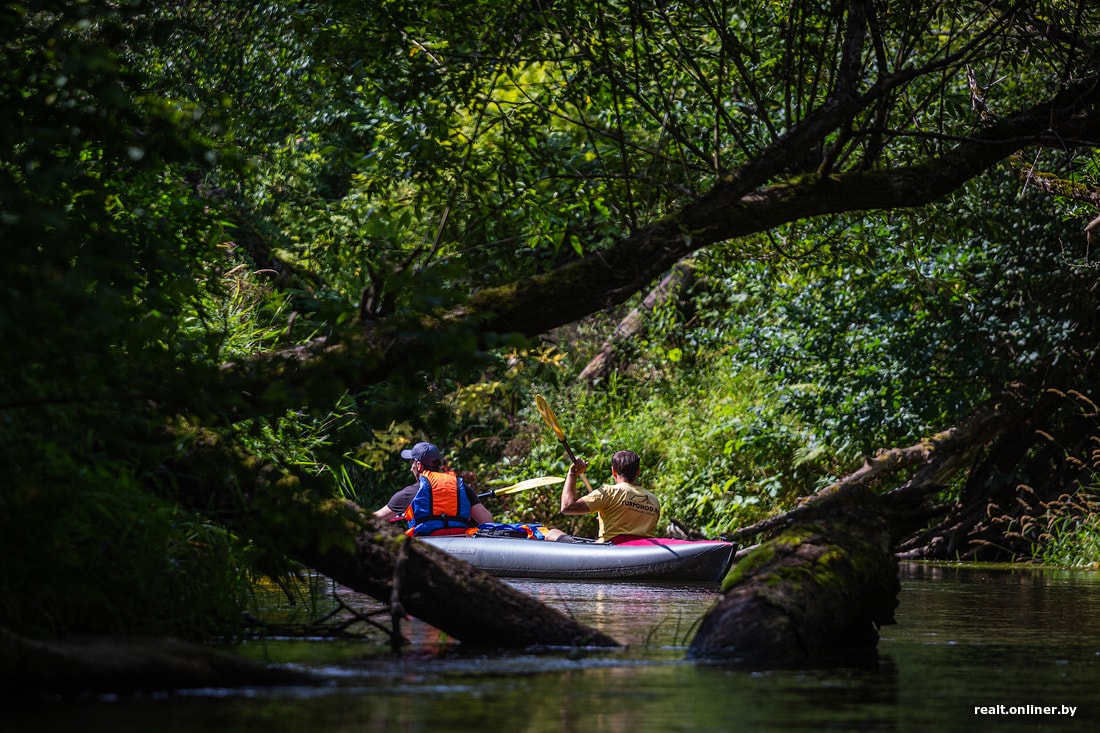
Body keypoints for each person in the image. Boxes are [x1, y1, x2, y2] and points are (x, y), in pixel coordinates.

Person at [372, 442, 493, 534]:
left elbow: (375, 518)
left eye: (411, 464)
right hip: (460, 545)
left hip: (428, 548)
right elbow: (488, 521)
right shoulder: (461, 487)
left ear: (418, 465)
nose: (410, 468)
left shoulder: (410, 493)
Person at [558, 450, 660, 543]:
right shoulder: (654, 500)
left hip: (611, 550)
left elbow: (567, 506)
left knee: (553, 533)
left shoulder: (609, 492)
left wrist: (572, 473)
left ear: (613, 471)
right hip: (642, 551)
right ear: (638, 471)